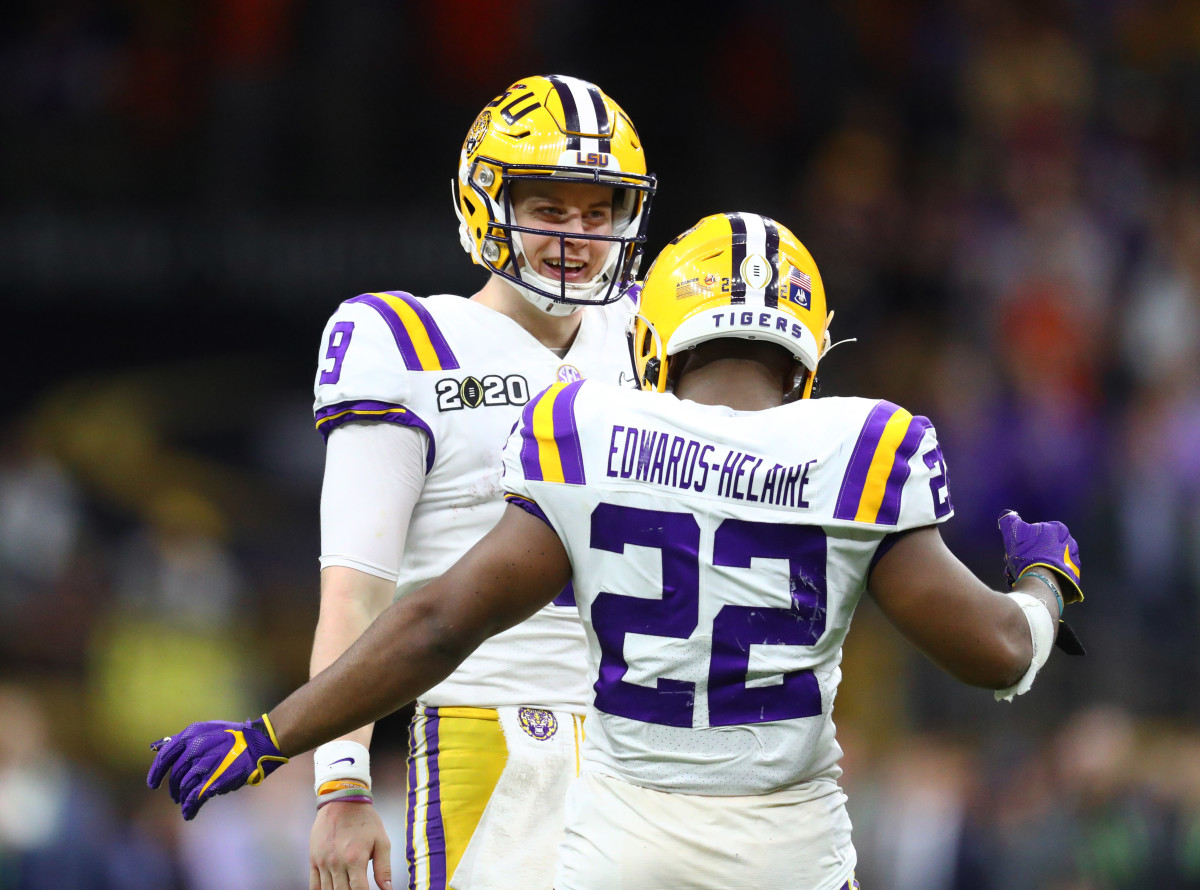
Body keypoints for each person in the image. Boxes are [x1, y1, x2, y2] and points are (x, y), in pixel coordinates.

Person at [149, 213, 1084, 890]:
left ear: (653, 334)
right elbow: (999, 653)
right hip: (788, 852)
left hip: (623, 847)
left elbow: (434, 626)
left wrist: (270, 737)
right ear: (807, 353)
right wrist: (1046, 580)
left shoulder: (589, 431)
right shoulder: (862, 443)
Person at [305, 75, 654, 890]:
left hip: (655, 741)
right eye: (550, 210)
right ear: (486, 201)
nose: (577, 236)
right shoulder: (406, 343)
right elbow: (355, 593)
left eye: (597, 213)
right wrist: (342, 781)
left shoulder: (652, 335)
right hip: (494, 731)